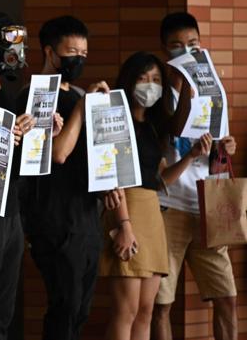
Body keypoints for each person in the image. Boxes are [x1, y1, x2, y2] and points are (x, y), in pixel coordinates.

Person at [100, 51, 212, 340]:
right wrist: (123, 225)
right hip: (127, 209)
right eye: (143, 78)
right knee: (126, 311)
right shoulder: (115, 120)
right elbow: (113, 175)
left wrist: (191, 156)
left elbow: (160, 179)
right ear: (129, 81)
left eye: (156, 79)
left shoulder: (152, 126)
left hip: (152, 211)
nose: (150, 85)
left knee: (146, 311)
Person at [0, 11, 56, 340]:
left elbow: (18, 157)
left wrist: (40, 135)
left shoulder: (9, 93)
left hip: (11, 208)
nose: (18, 52)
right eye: (10, 42)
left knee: (4, 309)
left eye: (22, 43)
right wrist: (4, 137)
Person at [20, 15, 112, 340]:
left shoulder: (78, 96)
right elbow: (58, 153)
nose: (79, 59)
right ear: (50, 51)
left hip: (86, 218)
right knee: (65, 307)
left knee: (81, 310)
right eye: (72, 51)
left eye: (84, 54)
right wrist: (81, 110)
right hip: (54, 221)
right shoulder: (35, 98)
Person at [151, 12, 238, 340]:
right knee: (161, 303)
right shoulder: (158, 95)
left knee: (227, 297)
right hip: (167, 207)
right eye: (176, 46)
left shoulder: (214, 94)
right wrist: (187, 84)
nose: (185, 51)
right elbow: (164, 140)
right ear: (165, 51)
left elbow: (217, 158)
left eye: (192, 44)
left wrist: (225, 148)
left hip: (208, 207)